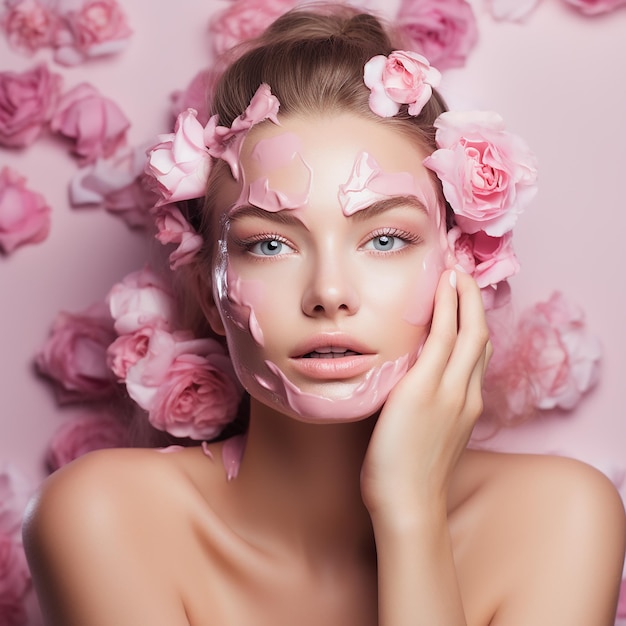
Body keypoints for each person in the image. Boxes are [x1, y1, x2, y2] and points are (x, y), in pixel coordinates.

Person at [22, 5, 625, 625]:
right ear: (208, 290)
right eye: (270, 244)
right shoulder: (106, 518)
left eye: (386, 239)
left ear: (463, 266)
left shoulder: (560, 520)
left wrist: (408, 511)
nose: (329, 293)